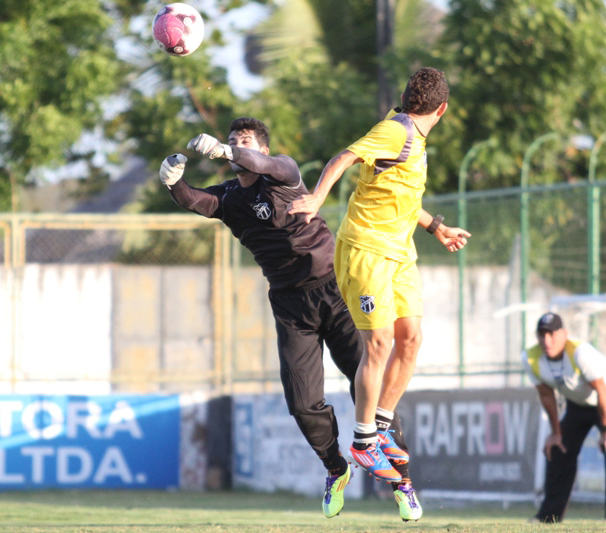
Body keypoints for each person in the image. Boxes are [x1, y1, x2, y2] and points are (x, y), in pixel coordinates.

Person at [158, 117, 422, 521]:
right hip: (290, 305)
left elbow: (273, 167)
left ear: (261, 150)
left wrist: (227, 151)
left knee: (367, 384)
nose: (234, 147)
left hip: (335, 289)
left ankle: (402, 482)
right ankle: (336, 469)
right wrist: (173, 182)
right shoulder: (230, 198)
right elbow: (196, 200)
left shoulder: (284, 174)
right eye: (231, 142)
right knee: (302, 403)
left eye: (243, 142)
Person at [287, 67, 470, 482]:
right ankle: (363, 440)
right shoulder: (397, 131)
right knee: (380, 343)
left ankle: (382, 426)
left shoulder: (412, 141)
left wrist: (435, 226)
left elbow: (401, 198)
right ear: (442, 109)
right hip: (365, 251)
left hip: (400, 253)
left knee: (411, 338)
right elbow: (343, 157)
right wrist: (316, 198)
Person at [522, 312, 606, 523]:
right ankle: (549, 517)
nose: (546, 340)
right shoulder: (530, 358)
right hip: (579, 405)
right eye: (542, 335)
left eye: (551, 334)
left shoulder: (579, 352)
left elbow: (601, 390)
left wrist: (605, 431)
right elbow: (547, 396)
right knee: (559, 450)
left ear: (564, 334)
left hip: (604, 400)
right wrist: (555, 433)